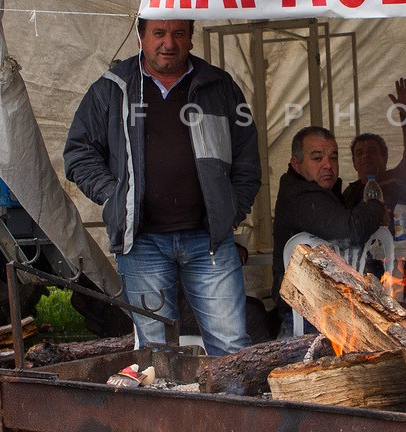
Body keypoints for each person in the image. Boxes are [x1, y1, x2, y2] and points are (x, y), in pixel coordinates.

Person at [64, 18, 261, 356]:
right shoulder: (112, 88)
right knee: (156, 351)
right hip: (142, 243)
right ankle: (168, 410)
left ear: (191, 40)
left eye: (178, 33)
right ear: (141, 37)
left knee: (231, 347)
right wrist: (114, 196)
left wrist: (232, 209)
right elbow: (78, 153)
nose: (168, 43)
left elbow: (247, 158)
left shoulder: (220, 87)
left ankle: (231, 408)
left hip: (209, 241)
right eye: (158, 33)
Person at [271, 126, 388, 320]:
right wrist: (377, 207)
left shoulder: (325, 191)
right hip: (303, 308)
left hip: (331, 301)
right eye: (317, 158)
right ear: (296, 164)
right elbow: (349, 232)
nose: (327, 165)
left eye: (333, 157)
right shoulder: (300, 195)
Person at [342, 78, 406, 211]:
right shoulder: (350, 193)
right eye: (359, 153)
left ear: (384, 157)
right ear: (354, 164)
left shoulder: (402, 178)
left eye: (372, 151)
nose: (365, 155)